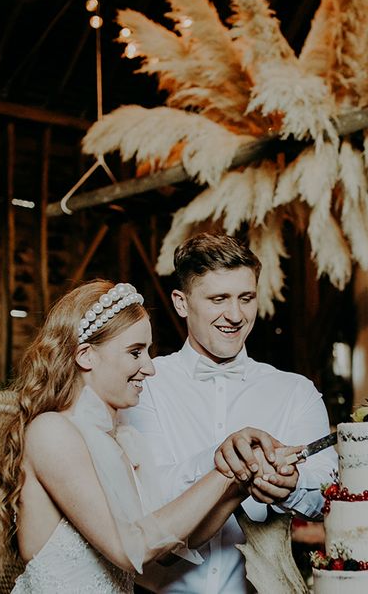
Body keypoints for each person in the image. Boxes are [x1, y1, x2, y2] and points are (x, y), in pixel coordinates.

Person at [0, 279, 298, 593]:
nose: (150, 368)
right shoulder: (52, 432)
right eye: (135, 352)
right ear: (85, 356)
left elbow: (163, 551)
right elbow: (131, 550)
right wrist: (222, 473)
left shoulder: (119, 440)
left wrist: (240, 481)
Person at [122, 232, 336, 593]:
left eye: (246, 298)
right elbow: (146, 495)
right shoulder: (145, 385)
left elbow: (329, 492)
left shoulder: (295, 392)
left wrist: (293, 486)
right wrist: (220, 461)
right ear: (182, 302)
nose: (235, 315)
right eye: (218, 299)